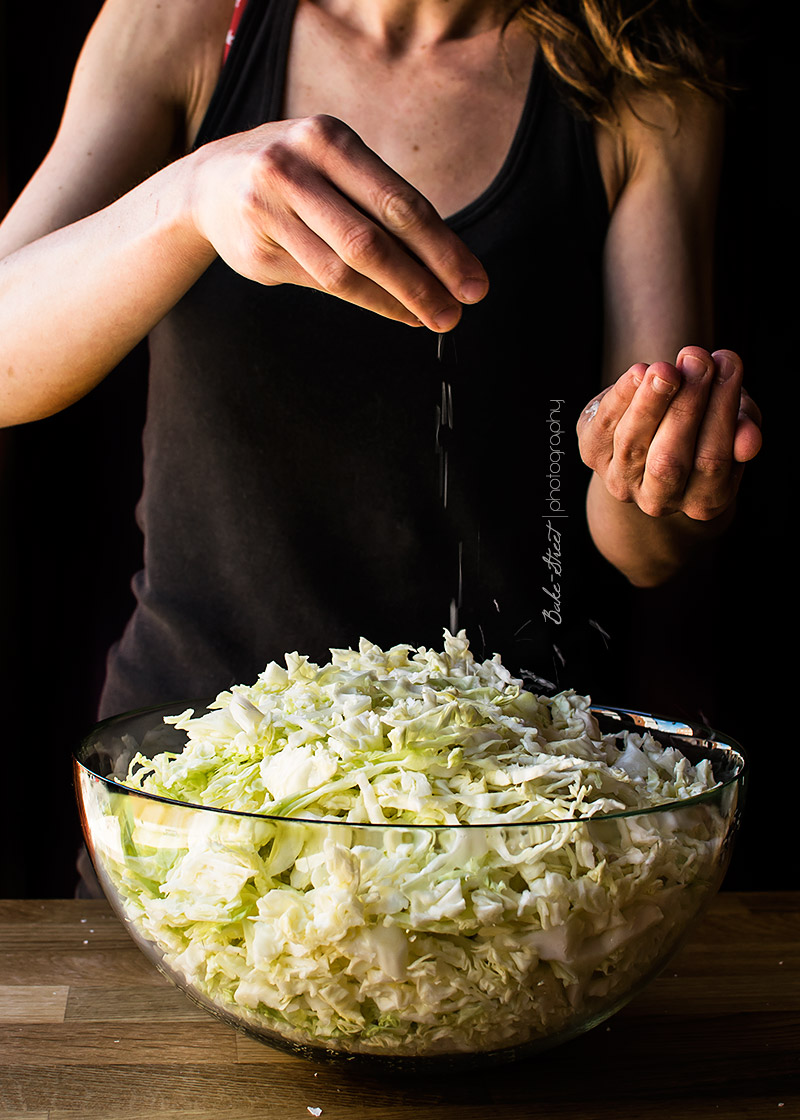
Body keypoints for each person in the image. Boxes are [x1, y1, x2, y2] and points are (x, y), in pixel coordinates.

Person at [0, 0, 761, 715]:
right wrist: (193, 199)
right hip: (193, 779)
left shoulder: (644, 75)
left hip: (500, 784)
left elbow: (644, 551)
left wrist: (661, 462)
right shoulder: (189, 22)